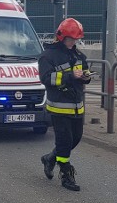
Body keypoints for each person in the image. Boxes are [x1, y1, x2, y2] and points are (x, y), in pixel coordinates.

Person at [38, 18, 93, 191]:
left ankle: (50, 158)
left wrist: (86, 76)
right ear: (62, 37)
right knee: (64, 140)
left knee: (75, 138)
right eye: (71, 39)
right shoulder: (48, 56)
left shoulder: (78, 55)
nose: (73, 42)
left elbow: (85, 72)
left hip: (77, 106)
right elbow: (46, 78)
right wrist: (71, 77)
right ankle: (66, 175)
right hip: (59, 107)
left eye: (75, 39)